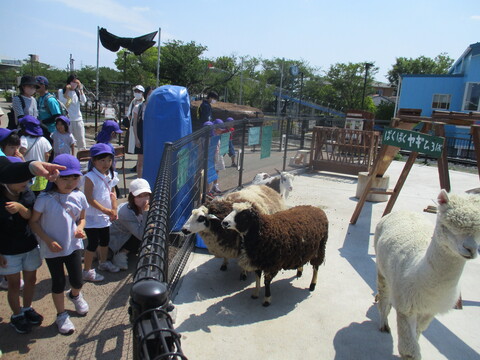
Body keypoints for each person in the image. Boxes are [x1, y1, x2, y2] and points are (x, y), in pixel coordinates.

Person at [29, 154, 89, 335]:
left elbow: (83, 218)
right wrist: (48, 241)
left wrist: (80, 228)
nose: (70, 182)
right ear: (54, 177)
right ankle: (61, 315)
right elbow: (33, 222)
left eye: (75, 177)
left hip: (73, 246)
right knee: (58, 282)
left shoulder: (79, 196)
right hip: (52, 248)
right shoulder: (44, 199)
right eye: (65, 178)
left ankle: (75, 295)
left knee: (77, 280)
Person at [0, 156, 43, 334]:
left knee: (31, 280)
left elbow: (31, 216)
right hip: (7, 250)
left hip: (28, 244)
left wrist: (20, 208)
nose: (25, 183)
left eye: (25, 179)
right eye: (19, 181)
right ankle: (17, 315)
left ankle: (27, 308)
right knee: (14, 284)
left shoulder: (26, 193)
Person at [82, 143, 120, 282]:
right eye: (102, 160)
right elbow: (88, 198)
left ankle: (103, 262)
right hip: (92, 216)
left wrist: (114, 208)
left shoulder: (110, 175)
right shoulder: (90, 177)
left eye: (109, 160)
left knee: (105, 240)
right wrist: (106, 210)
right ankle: (86, 270)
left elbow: (113, 191)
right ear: (94, 161)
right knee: (92, 243)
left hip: (105, 215)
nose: (106, 164)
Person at [110, 178, 151, 270]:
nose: (144, 198)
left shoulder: (149, 206)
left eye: (146, 195)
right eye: (139, 196)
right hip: (118, 240)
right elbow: (141, 235)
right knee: (143, 231)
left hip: (133, 234)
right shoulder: (125, 212)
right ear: (132, 197)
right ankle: (121, 254)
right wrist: (146, 213)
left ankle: (138, 247)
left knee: (151, 227)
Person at [18, 116, 52, 194]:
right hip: (41, 171)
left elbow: (22, 150)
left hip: (28, 171)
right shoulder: (43, 139)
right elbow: (47, 154)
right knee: (40, 193)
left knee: (28, 194)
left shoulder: (24, 138)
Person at [58, 74, 87, 150]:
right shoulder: (61, 91)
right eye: (73, 82)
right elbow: (62, 103)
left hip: (78, 119)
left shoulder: (77, 92)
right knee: (67, 140)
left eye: (76, 82)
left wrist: (81, 89)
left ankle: (82, 156)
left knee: (81, 140)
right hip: (68, 120)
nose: (74, 84)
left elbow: (84, 100)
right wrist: (67, 91)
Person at [132, 86, 154, 178]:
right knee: (140, 161)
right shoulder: (138, 107)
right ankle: (139, 180)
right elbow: (135, 124)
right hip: (141, 136)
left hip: (151, 136)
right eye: (149, 94)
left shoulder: (155, 108)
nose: (150, 96)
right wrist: (136, 138)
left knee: (151, 160)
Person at [36, 76, 62, 140]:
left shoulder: (50, 100)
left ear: (43, 86)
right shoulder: (39, 99)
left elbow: (57, 116)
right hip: (42, 130)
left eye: (37, 86)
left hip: (51, 131)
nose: (34, 88)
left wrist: (42, 122)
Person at [126, 85, 144, 159]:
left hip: (140, 126)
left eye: (139, 91)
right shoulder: (133, 101)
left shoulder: (144, 102)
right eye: (135, 91)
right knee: (134, 143)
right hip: (133, 124)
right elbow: (129, 112)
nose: (137, 93)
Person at [210, 119, 226, 194]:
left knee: (217, 169)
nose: (221, 131)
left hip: (218, 153)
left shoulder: (218, 135)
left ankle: (215, 185)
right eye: (220, 130)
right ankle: (208, 188)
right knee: (211, 170)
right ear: (215, 129)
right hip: (212, 155)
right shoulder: (212, 135)